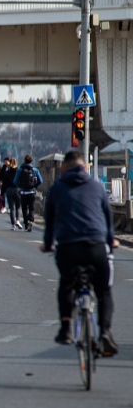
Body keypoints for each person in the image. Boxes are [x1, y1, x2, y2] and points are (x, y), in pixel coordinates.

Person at [41, 150, 118, 356]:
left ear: (63, 169)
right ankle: (105, 332)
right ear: (85, 167)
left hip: (69, 248)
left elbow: (49, 222)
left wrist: (48, 244)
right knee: (103, 291)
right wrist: (111, 241)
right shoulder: (97, 186)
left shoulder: (57, 189)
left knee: (66, 283)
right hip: (96, 247)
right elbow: (108, 219)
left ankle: (66, 329)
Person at [13, 154, 43, 232]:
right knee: (32, 208)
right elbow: (41, 181)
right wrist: (35, 186)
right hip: (32, 192)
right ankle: (31, 220)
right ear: (31, 161)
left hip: (23, 192)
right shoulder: (35, 170)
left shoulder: (20, 170)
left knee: (24, 208)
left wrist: (20, 186)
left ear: (24, 160)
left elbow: (15, 181)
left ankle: (26, 223)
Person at [0, 157, 23, 230]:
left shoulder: (7, 172)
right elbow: (22, 181)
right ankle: (18, 220)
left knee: (12, 208)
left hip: (9, 190)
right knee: (18, 207)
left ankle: (13, 225)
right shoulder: (19, 171)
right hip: (17, 190)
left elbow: (4, 184)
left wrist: (2, 193)